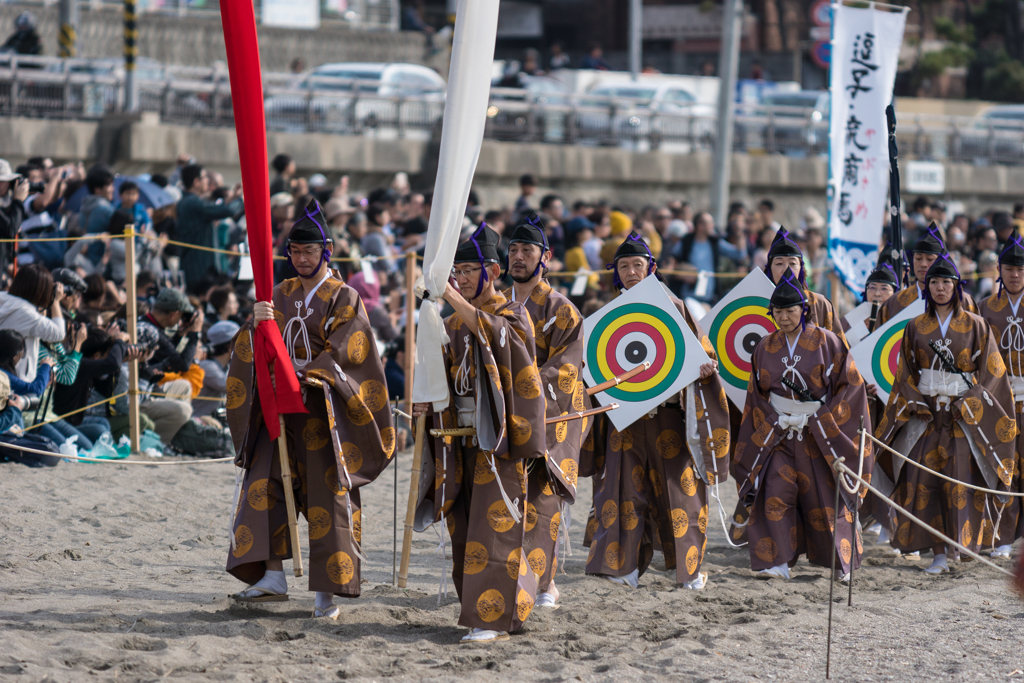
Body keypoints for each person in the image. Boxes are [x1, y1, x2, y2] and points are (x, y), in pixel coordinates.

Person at [228, 198, 395, 619]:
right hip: (277, 409)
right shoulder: (277, 295)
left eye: (310, 251)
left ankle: (326, 594)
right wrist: (256, 322)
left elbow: (349, 350)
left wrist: (307, 379)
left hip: (326, 412)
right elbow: (257, 347)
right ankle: (271, 574)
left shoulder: (345, 296)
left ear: (327, 251)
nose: (302, 259)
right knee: (263, 483)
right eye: (295, 252)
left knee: (329, 497)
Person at [412, 223, 546, 643]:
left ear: (491, 270)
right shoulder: (451, 325)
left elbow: (502, 339)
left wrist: (448, 296)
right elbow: (447, 381)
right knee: (464, 527)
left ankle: (492, 619)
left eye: (468, 270)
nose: (461, 278)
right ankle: (482, 611)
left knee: (494, 528)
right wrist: (427, 401)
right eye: (457, 271)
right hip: (458, 439)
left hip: (497, 440)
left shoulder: (512, 313)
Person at [586, 232, 729, 590]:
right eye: (624, 266)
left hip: (669, 417)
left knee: (681, 494)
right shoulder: (605, 316)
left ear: (651, 268)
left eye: (638, 264)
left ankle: (689, 571)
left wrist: (706, 367)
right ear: (616, 273)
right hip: (626, 419)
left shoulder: (676, 306)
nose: (632, 271)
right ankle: (626, 568)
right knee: (624, 494)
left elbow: (705, 352)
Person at [876, 252, 1015, 574]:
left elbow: (994, 375)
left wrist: (968, 404)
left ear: (957, 286)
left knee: (961, 482)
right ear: (927, 286)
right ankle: (937, 552)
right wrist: (915, 401)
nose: (940, 288)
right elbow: (904, 373)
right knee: (922, 479)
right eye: (935, 282)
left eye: (947, 282)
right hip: (927, 417)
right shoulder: (914, 327)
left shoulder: (977, 325)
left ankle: (958, 548)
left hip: (962, 418)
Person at [731, 267, 871, 580]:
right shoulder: (764, 347)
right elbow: (756, 396)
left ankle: (841, 563)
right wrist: (771, 422)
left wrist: (822, 422)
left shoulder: (829, 342)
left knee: (825, 497)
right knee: (775, 491)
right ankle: (778, 561)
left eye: (790, 310)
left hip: (818, 432)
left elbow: (850, 387)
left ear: (803, 310)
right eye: (777, 311)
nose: (783, 317)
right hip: (780, 431)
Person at [502, 217, 592, 609]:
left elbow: (567, 370)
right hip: (501, 414)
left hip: (549, 416)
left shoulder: (563, 310)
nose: (519, 258)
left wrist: (520, 386)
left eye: (527, 251)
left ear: (547, 258)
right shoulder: (494, 303)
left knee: (542, 502)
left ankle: (543, 584)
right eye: (513, 251)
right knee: (501, 501)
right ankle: (504, 578)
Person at [973, 228, 1024, 558]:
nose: (1016, 275)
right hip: (999, 398)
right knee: (1004, 467)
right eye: (1009, 270)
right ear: (999, 272)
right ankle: (1003, 537)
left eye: (1020, 270)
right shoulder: (985, 307)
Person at [873, 223, 978, 331]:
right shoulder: (895, 301)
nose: (923, 264)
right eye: (918, 258)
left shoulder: (964, 301)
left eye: (929, 259)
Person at [762, 227, 849, 347]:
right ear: (769, 270)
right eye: (779, 263)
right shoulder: (757, 301)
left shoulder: (820, 304)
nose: (786, 269)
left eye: (792, 263)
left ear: (801, 269)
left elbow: (839, 350)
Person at [176, 164, 244, 292]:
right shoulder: (192, 202)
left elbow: (216, 208)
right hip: (198, 269)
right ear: (196, 182)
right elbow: (225, 210)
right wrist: (241, 200)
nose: (208, 181)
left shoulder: (188, 201)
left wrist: (234, 197)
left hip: (195, 267)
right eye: (205, 177)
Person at [0, 264, 66, 383]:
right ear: (41, 291)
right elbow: (59, 334)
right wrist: (55, 302)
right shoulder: (26, 314)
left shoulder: (4, 298)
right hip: (15, 383)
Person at [674, 211, 747, 306]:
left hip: (709, 299)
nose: (713, 225)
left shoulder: (715, 242)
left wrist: (739, 234)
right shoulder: (686, 241)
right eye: (709, 223)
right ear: (700, 226)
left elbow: (739, 254)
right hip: (687, 298)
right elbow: (672, 260)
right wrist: (682, 270)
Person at [194, 320, 237, 420]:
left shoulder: (227, 367)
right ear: (229, 346)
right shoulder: (207, 366)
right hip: (199, 422)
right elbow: (233, 388)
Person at [0, 159, 29, 278]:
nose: (3, 185)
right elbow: (11, 229)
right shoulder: (14, 202)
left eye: (5, 181)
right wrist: (18, 201)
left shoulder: (7, 203)